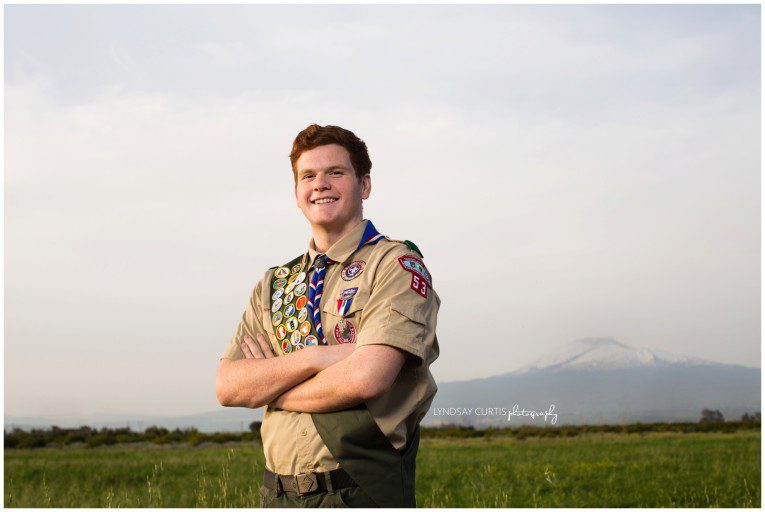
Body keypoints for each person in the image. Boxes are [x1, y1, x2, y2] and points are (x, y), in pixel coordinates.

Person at [215, 124, 440, 508]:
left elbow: (367, 377)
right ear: (297, 194)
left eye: (335, 172)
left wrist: (271, 388)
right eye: (308, 176)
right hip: (278, 494)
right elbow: (229, 387)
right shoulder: (274, 284)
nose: (320, 184)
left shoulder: (395, 265)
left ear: (364, 185)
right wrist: (313, 358)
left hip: (358, 489)